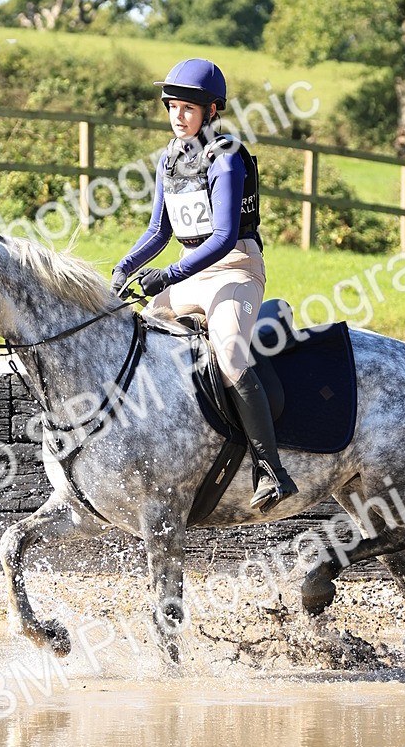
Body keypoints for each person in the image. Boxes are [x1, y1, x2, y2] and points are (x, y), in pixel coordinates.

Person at [111, 58, 298, 511]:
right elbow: (160, 231)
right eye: (173, 106)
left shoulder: (226, 157)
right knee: (140, 343)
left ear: (212, 111)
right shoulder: (170, 159)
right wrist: (124, 267)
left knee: (230, 352)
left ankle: (270, 469)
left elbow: (223, 236)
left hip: (234, 269)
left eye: (188, 108)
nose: (178, 115)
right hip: (191, 271)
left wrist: (167, 276)